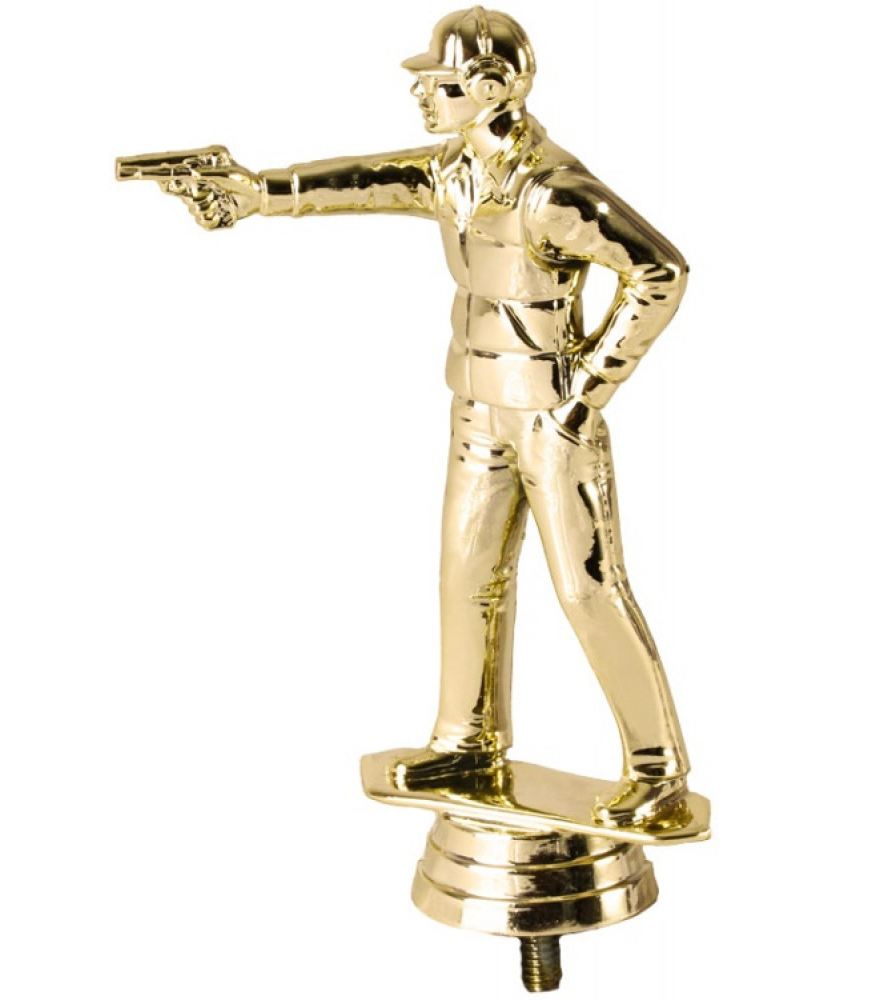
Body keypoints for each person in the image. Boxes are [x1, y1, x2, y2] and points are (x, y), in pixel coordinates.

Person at [156, 8, 692, 828]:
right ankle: (467, 742)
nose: (421, 94)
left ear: (491, 87)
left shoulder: (551, 190)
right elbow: (362, 181)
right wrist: (258, 192)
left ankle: (657, 768)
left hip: (550, 417)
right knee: (465, 575)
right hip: (476, 406)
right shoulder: (452, 171)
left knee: (586, 589)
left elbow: (660, 272)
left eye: (438, 83)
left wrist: (587, 389)